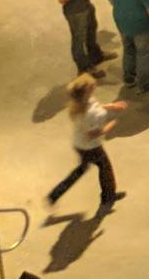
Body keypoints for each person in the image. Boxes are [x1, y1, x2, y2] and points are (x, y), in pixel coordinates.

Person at [47, 73, 124, 211]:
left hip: (79, 145)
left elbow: (97, 105)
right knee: (105, 169)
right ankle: (108, 197)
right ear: (86, 92)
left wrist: (111, 106)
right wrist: (110, 126)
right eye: (91, 86)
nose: (94, 85)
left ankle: (54, 195)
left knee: (81, 170)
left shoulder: (80, 103)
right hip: (91, 148)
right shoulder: (91, 114)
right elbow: (93, 134)